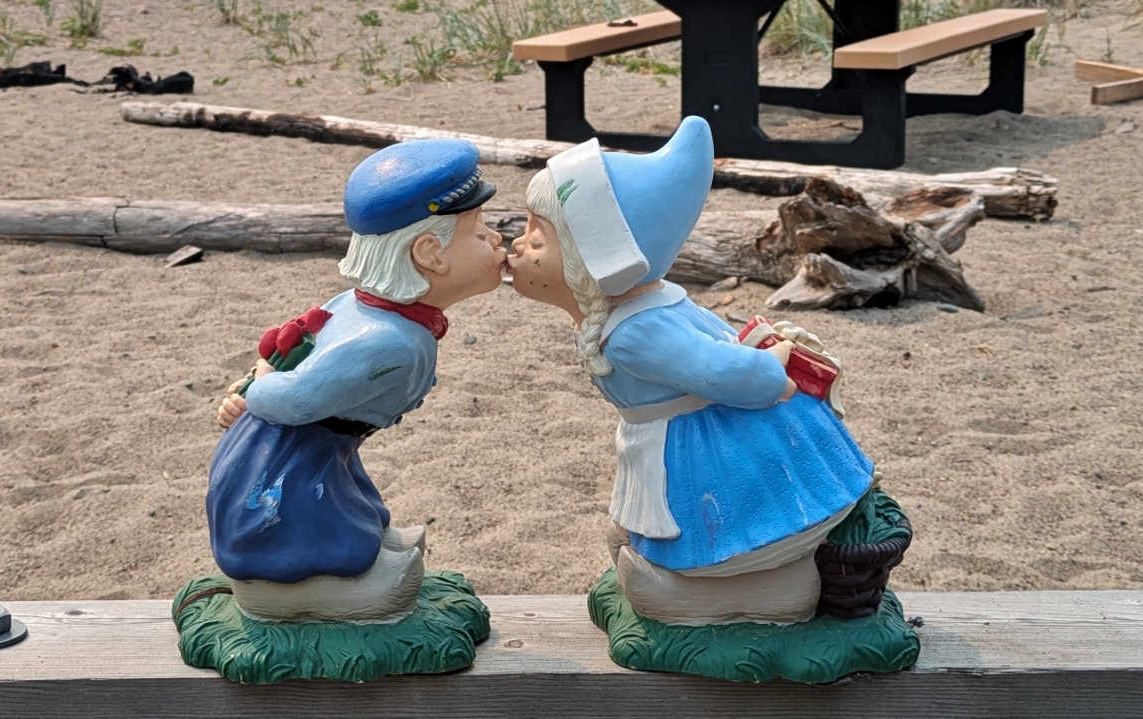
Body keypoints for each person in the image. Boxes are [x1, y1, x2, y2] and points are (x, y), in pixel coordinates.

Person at [505, 117, 874, 625]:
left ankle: (759, 588)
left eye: (538, 239)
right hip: (676, 436)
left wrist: (766, 373)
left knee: (722, 529)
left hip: (709, 448)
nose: (518, 246)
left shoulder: (634, 332)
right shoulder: (643, 305)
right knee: (654, 528)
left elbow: (716, 367)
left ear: (596, 259)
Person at [208, 139, 506, 622]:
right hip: (286, 462)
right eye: (480, 232)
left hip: (322, 445)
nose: (496, 240)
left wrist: (258, 384)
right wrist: (257, 389)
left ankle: (354, 547)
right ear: (430, 253)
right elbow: (297, 396)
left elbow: (299, 347)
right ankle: (293, 584)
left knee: (349, 494)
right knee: (317, 521)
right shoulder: (385, 340)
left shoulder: (358, 304)